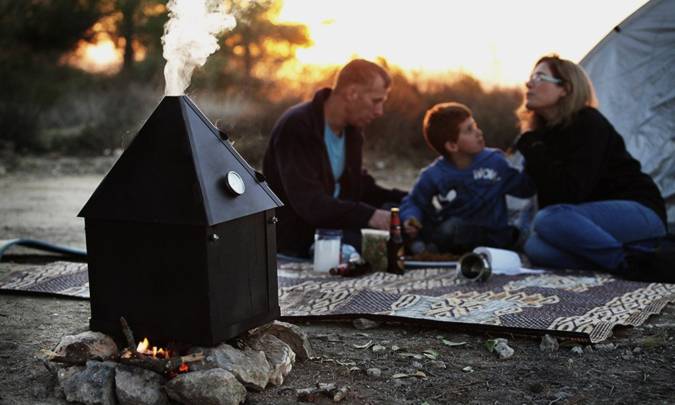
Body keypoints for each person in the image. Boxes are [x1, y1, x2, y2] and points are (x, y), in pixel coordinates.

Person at [515, 54, 667, 272]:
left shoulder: (588, 122)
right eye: (531, 77)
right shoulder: (541, 137)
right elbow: (550, 199)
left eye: (539, 77)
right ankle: (633, 252)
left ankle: (630, 264)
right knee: (536, 247)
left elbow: (568, 195)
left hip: (640, 212)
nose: (529, 84)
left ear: (565, 88)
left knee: (546, 219)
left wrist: (534, 148)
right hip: (588, 222)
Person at [262, 59, 407, 257]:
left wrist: (407, 199)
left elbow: (359, 187)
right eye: (376, 101)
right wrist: (370, 216)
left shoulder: (352, 131)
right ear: (352, 93)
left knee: (399, 216)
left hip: (337, 223)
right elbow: (310, 204)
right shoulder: (297, 126)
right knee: (383, 241)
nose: (379, 111)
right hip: (301, 233)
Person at [400, 102, 535, 254]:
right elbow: (414, 201)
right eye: (469, 130)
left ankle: (429, 248)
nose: (479, 132)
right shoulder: (435, 174)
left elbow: (524, 189)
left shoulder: (495, 161)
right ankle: (423, 248)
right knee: (444, 226)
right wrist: (411, 218)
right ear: (452, 146)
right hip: (454, 235)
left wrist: (532, 159)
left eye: (475, 126)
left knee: (509, 234)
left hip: (493, 236)